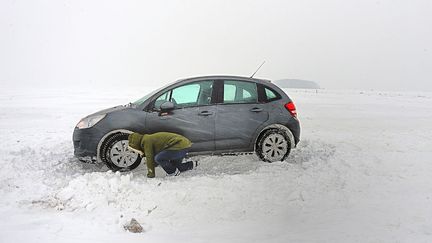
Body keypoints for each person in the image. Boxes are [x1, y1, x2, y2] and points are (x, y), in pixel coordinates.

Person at [128, 132, 195, 178]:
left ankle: (172, 172)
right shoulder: (147, 138)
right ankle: (193, 164)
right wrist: (143, 154)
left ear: (136, 144)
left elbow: (150, 158)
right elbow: (153, 159)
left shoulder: (146, 141)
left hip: (179, 147)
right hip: (183, 146)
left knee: (158, 158)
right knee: (174, 166)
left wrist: (151, 174)